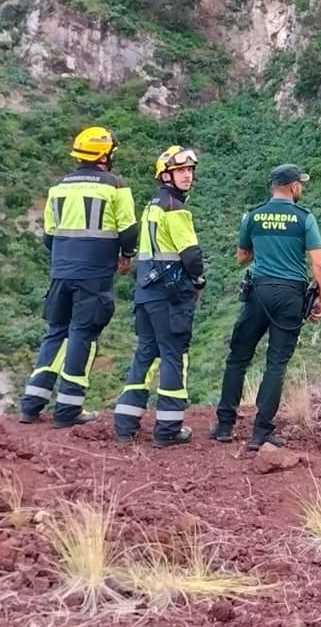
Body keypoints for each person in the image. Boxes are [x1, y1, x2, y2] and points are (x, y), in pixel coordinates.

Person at [19, 126, 138, 427]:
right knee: (83, 335)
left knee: (56, 331)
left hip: (61, 271)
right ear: (103, 155)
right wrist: (126, 256)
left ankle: (31, 404)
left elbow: (48, 236)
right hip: (95, 274)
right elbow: (127, 230)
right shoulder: (115, 186)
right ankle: (68, 409)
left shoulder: (58, 187)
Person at [211, 164, 321, 450]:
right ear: (292, 186)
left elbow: (241, 257)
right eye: (300, 183)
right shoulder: (304, 218)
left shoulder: (253, 215)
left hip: (258, 291)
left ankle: (225, 425)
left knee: (238, 358)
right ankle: (260, 432)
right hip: (290, 295)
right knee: (275, 363)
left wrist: (264, 249)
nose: (301, 187)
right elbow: (319, 263)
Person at [112, 146, 206, 446]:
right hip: (171, 295)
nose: (188, 175)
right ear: (166, 175)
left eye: (190, 170)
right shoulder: (175, 209)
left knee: (145, 353)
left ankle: (125, 424)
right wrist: (198, 282)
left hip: (146, 292)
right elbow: (190, 255)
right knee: (173, 356)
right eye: (181, 171)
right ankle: (167, 429)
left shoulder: (152, 205)